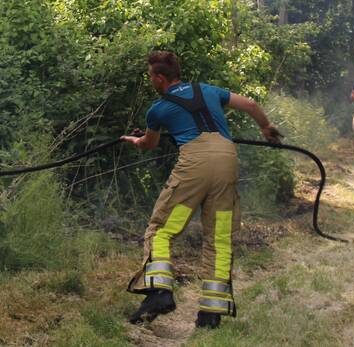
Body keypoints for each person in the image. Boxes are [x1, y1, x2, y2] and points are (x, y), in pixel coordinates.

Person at [121, 51, 282, 330]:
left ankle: (159, 292)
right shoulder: (207, 90)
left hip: (195, 166)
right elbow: (250, 103)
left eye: (150, 77)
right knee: (218, 237)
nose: (150, 81)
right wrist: (266, 127)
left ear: (160, 78)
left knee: (162, 230)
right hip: (227, 161)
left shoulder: (158, 109)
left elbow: (150, 143)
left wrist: (136, 141)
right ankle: (211, 313)